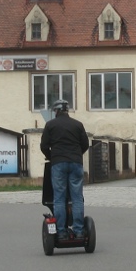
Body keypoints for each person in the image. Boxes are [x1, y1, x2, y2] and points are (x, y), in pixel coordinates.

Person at [40, 100, 90, 239]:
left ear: (56, 111)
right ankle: (79, 231)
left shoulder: (50, 125)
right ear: (67, 110)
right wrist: (77, 155)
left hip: (58, 164)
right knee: (77, 198)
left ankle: (61, 231)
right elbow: (85, 144)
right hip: (76, 163)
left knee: (59, 198)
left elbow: (44, 145)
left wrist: (51, 156)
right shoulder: (77, 124)